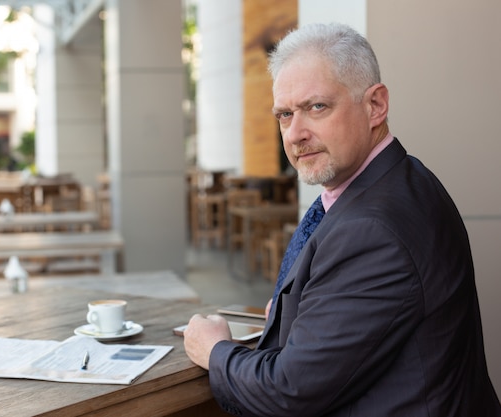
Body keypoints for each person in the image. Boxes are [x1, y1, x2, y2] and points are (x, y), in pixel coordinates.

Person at [183, 22, 501, 417]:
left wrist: (214, 350)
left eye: (317, 107)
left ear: (375, 106)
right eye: (284, 114)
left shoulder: (372, 230)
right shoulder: (402, 178)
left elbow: (288, 393)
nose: (295, 134)